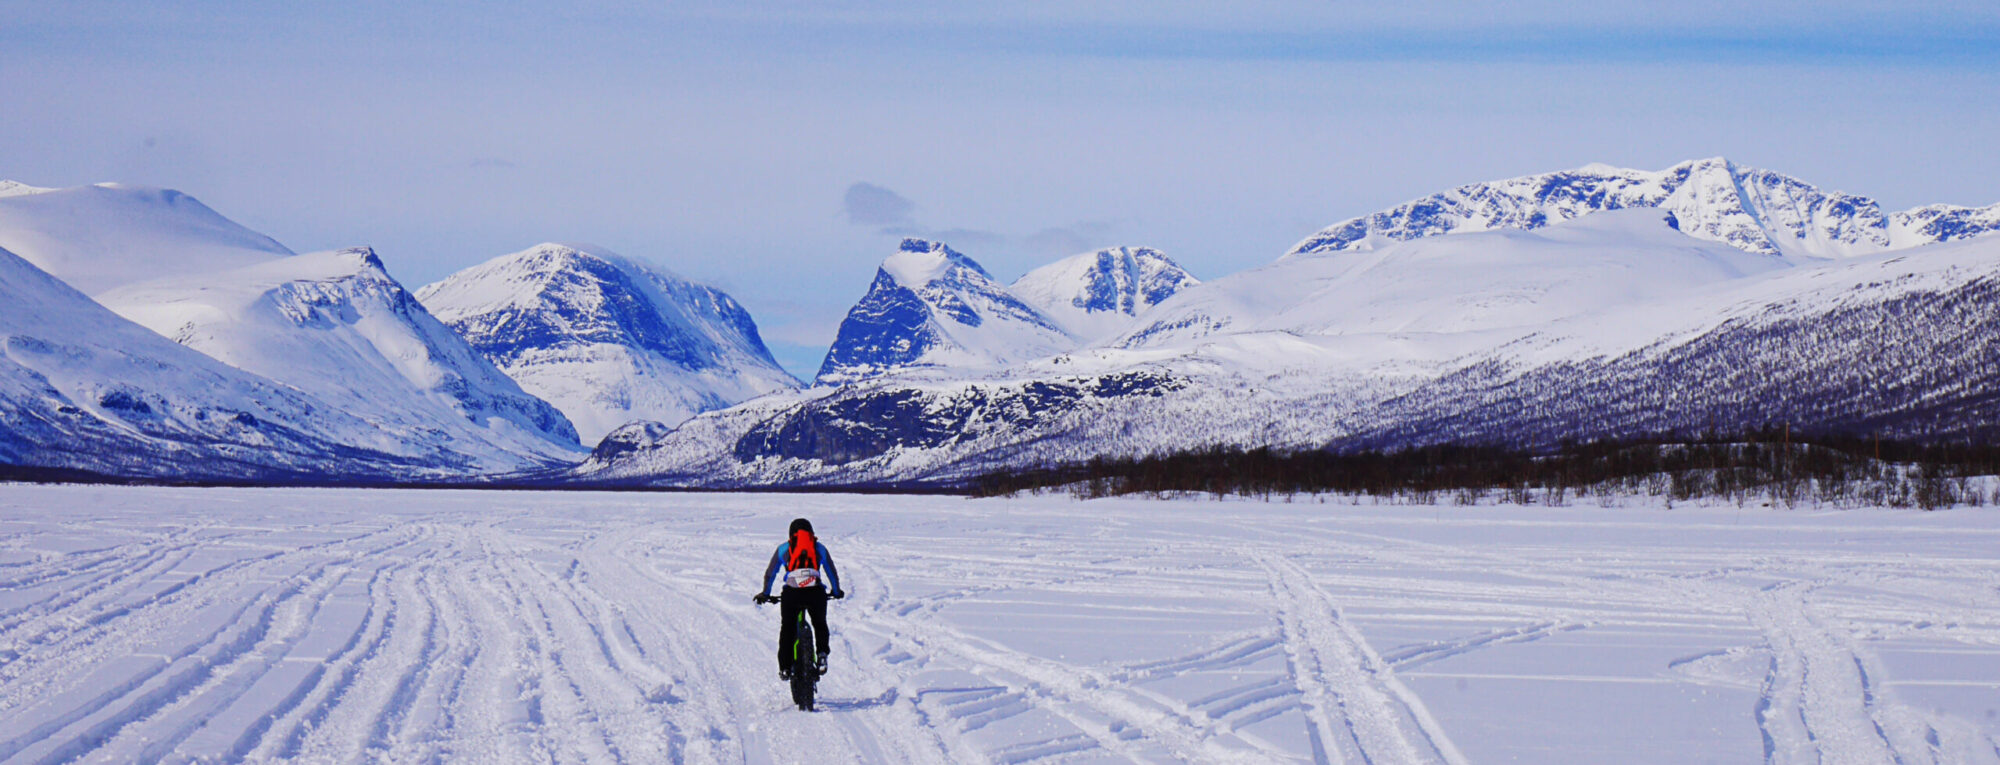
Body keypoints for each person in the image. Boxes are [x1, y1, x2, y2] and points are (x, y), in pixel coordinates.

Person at [753, 518, 844, 679]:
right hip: (815, 592)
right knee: (820, 624)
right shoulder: (819, 548)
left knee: (787, 629)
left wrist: (765, 594)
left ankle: (785, 668)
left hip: (792, 594)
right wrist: (836, 591)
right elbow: (831, 572)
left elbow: (770, 573)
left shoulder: (783, 549)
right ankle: (822, 654)